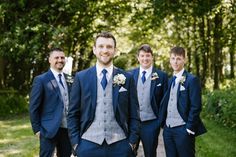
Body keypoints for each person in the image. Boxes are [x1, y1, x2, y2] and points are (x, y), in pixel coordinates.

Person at [67, 31, 140, 157]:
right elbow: (73, 113)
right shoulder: (81, 77)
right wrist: (76, 144)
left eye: (109, 47)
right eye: (101, 46)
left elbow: (135, 114)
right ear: (94, 49)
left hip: (120, 145)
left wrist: (132, 143)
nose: (105, 50)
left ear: (115, 50)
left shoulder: (127, 78)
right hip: (87, 144)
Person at [159, 46, 207, 157]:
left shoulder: (192, 80)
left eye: (179, 58)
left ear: (184, 60)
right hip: (168, 130)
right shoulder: (169, 80)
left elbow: (196, 106)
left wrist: (189, 128)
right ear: (170, 60)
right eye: (173, 58)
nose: (175, 62)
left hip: (183, 129)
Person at [29, 48, 72, 157]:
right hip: (48, 129)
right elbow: (34, 106)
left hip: (67, 128)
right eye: (56, 57)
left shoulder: (70, 79)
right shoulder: (41, 79)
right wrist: (37, 129)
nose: (60, 60)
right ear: (50, 60)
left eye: (62, 57)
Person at [129, 44, 168, 157]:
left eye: (147, 55)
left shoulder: (161, 76)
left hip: (151, 123)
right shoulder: (130, 74)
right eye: (142, 56)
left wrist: (159, 122)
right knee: (128, 153)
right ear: (138, 58)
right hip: (133, 123)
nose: (145, 58)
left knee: (150, 153)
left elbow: (164, 101)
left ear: (152, 57)